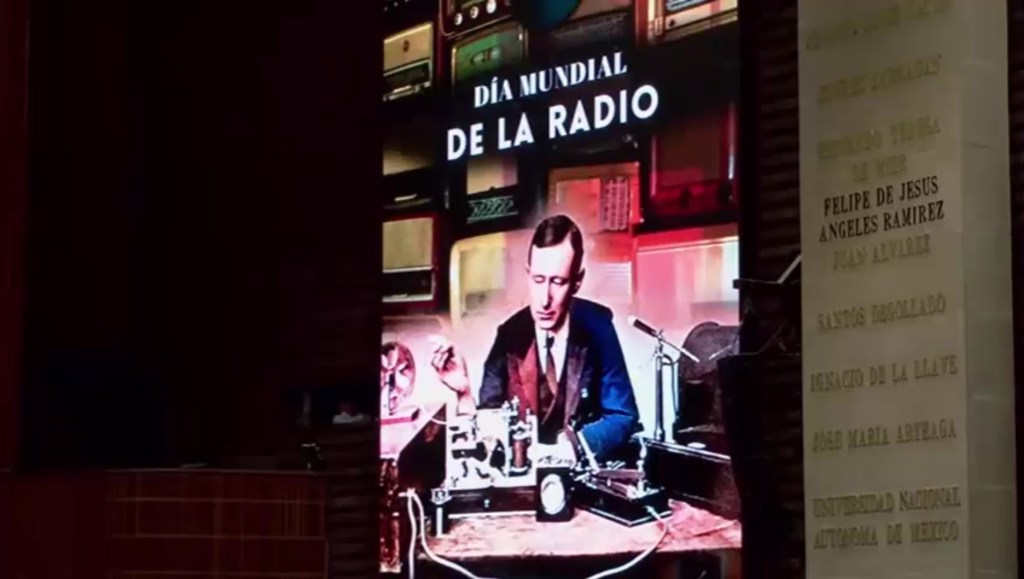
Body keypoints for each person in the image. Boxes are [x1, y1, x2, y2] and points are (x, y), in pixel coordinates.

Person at [430, 214, 640, 462]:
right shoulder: (508, 335)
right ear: (528, 274)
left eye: (558, 282)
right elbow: (489, 424)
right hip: (525, 474)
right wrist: (464, 394)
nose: (544, 299)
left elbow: (622, 416)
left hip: (581, 472)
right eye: (538, 280)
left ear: (577, 281)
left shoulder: (598, 326)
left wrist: (572, 447)